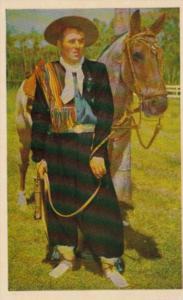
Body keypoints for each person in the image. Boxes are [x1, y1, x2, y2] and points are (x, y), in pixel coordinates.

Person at [30, 15, 127, 288]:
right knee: (60, 199)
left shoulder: (97, 70)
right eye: (72, 41)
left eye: (81, 41)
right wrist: (40, 156)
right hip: (57, 148)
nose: (77, 46)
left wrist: (98, 152)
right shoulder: (46, 73)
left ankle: (109, 262)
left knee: (101, 205)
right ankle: (66, 256)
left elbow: (106, 113)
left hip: (89, 147)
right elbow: (39, 117)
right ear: (59, 43)